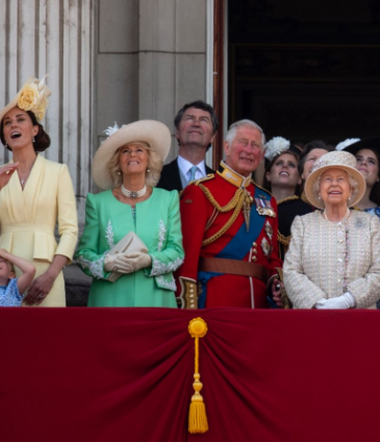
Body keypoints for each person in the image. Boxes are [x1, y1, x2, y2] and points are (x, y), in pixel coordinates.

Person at [0, 76, 78, 307]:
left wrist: (51, 275)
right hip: (3, 271)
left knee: (48, 338)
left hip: (46, 265)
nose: (13, 125)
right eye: (7, 123)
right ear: (5, 137)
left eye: (20, 119)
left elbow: (70, 231)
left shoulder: (58, 171)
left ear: (34, 130)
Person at [75, 120, 185, 307]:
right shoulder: (98, 203)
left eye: (139, 150)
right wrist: (107, 263)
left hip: (156, 300)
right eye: (125, 151)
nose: (132, 154)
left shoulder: (168, 200)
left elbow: (177, 253)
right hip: (110, 300)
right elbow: (83, 255)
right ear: (117, 161)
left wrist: (149, 260)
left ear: (149, 159)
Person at [177, 119, 282, 309]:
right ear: (226, 146)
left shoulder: (267, 199)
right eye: (243, 142)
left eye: (255, 145)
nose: (248, 150)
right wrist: (186, 303)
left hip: (258, 304)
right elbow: (187, 255)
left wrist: (276, 283)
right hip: (215, 299)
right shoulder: (201, 191)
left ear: (262, 154)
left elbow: (272, 257)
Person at [283, 151, 380, 309]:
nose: (334, 184)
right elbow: (291, 271)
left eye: (341, 179)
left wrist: (348, 300)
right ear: (319, 190)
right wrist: (318, 303)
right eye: (327, 179)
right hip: (313, 318)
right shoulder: (303, 224)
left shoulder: (370, 223)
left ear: (351, 189)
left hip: (359, 319)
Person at [262, 137, 308, 260]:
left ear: (299, 179)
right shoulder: (254, 206)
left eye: (291, 165)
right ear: (268, 175)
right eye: (279, 163)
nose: (285, 167)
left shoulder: (308, 212)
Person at [156, 100, 217, 192]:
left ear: (212, 136)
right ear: (177, 132)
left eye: (203, 120)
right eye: (190, 118)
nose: (196, 124)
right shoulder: (155, 177)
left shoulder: (219, 182)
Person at [339, 137, 380, 234]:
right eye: (358, 159)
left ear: (378, 176)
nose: (364, 163)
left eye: (371, 161)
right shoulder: (331, 210)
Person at [297, 140, 332, 206]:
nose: (318, 163)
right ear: (302, 174)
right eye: (312, 159)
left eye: (323, 159)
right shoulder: (286, 209)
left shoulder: (349, 212)